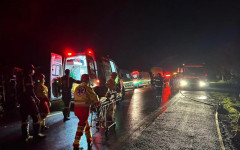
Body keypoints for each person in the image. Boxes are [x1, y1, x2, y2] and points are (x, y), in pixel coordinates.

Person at [72, 74, 100, 150]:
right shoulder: (87, 88)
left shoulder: (77, 88)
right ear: (87, 80)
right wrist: (97, 102)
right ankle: (76, 144)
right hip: (84, 109)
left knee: (85, 123)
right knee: (81, 126)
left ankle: (89, 140)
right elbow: (94, 97)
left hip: (76, 109)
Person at [19, 64, 45, 142]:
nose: (34, 71)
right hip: (29, 101)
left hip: (22, 101)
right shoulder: (28, 77)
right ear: (30, 70)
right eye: (33, 70)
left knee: (24, 118)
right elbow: (30, 91)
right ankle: (36, 135)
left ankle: (25, 136)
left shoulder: (21, 77)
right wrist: (36, 98)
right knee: (36, 117)